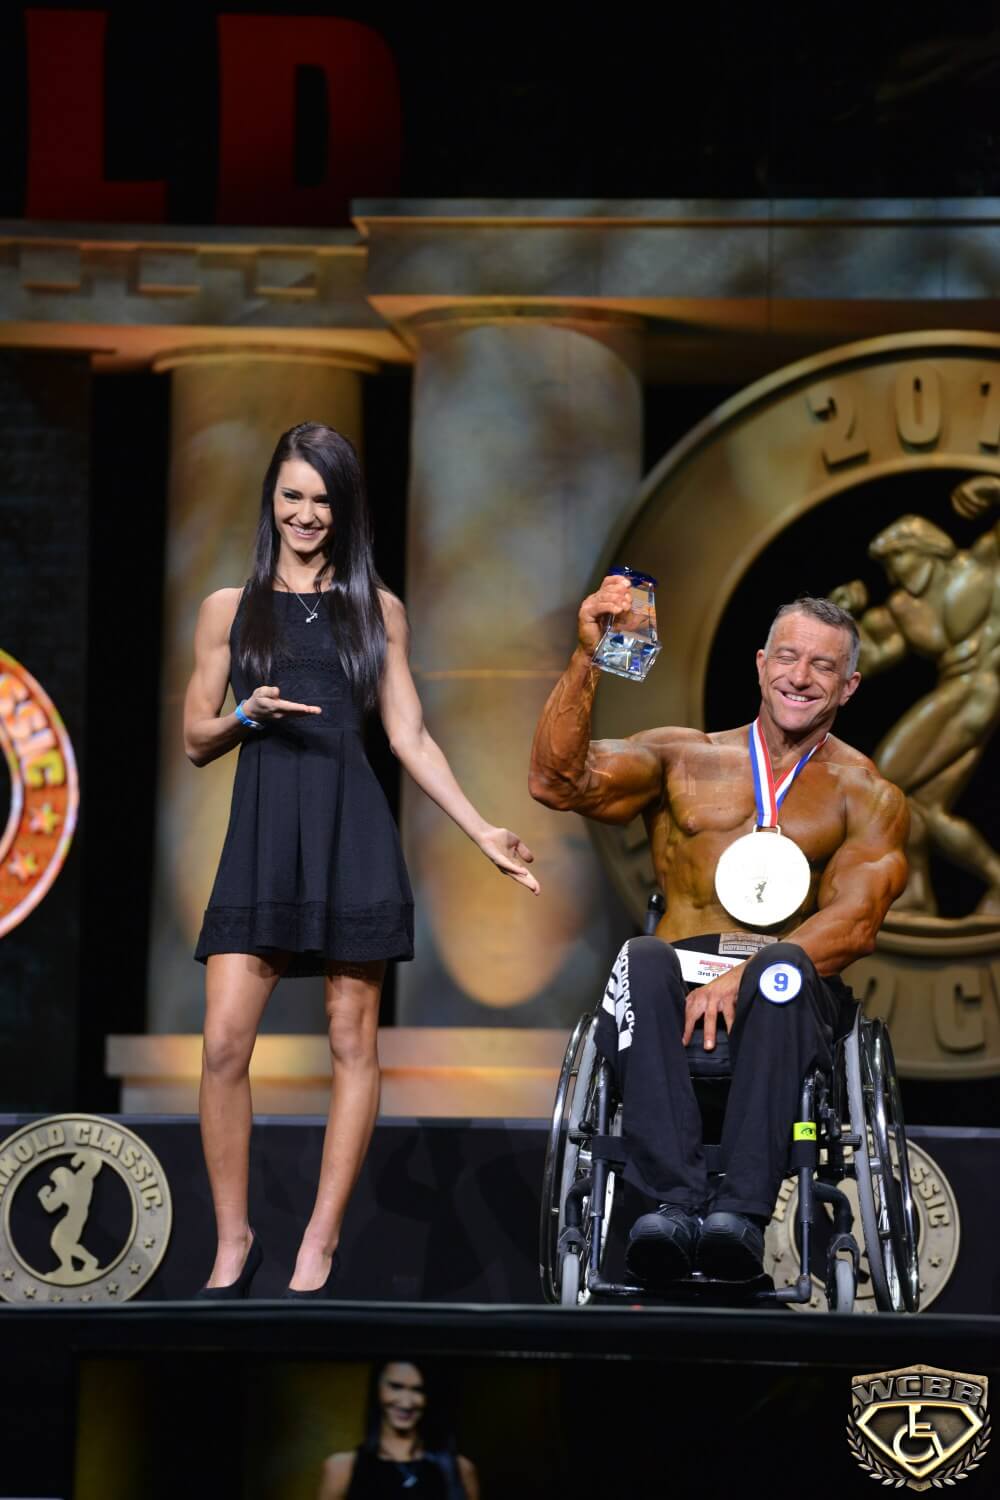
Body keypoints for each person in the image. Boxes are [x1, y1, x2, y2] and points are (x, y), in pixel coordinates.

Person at [184, 422, 539, 1297]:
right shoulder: (228, 608)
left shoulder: (378, 611)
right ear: (272, 498)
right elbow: (194, 737)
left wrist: (481, 830)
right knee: (224, 1044)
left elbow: (409, 736)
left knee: (352, 1039)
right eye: (292, 496)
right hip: (265, 836)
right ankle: (232, 1241)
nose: (305, 514)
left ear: (343, 511)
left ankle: (319, 1241)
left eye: (322, 500)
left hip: (353, 833)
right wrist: (247, 716)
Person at [529, 582, 908, 1284]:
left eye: (823, 666)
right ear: (761, 664)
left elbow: (856, 923)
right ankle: (670, 1207)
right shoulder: (684, 756)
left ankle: (740, 1216)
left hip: (784, 986)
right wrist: (587, 659)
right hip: (675, 977)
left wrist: (746, 975)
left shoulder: (865, 793)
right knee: (642, 956)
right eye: (787, 657)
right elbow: (558, 782)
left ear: (849, 686)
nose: (800, 677)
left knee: (782, 970)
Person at [830, 477, 1000, 914]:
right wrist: (840, 616)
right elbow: (872, 656)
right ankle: (933, 892)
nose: (894, 572)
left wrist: (990, 488)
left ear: (926, 547)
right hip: (958, 691)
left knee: (885, 782)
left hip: (980, 687)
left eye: (898, 557)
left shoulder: (980, 564)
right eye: (888, 564)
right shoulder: (904, 607)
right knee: (922, 807)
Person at [318, 1359, 479, 1499]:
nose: (406, 1403)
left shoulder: (459, 1469)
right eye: (396, 1387)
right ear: (378, 1388)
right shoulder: (342, 1468)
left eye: (418, 1390)